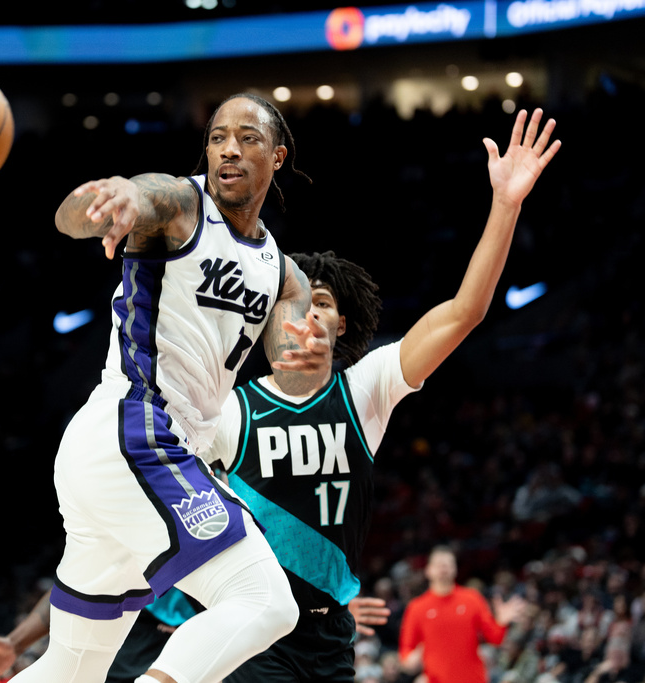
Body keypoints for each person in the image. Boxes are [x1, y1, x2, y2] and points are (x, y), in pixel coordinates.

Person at [200, 106, 560, 682]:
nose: (305, 314)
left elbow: (465, 312)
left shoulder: (365, 389)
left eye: (321, 303)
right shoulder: (229, 409)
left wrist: (505, 205)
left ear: (341, 323)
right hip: (252, 631)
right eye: (293, 302)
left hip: (330, 639)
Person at [10, 92, 325, 683]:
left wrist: (313, 358)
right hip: (137, 432)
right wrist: (114, 200)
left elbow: (294, 374)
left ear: (278, 156)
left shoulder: (285, 276)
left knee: (72, 667)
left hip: (124, 454)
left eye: (248, 138)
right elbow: (77, 216)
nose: (229, 149)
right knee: (265, 602)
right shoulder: (180, 203)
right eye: (217, 137)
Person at [0, 589, 387, 682]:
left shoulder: (233, 519)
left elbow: (273, 591)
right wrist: (16, 642)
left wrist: (323, 611)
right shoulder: (134, 519)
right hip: (131, 659)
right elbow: (72, 589)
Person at [398, 546, 528, 683]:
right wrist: (411, 661)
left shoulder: (472, 599)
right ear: (428, 570)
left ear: (455, 569)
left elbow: (495, 638)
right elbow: (406, 653)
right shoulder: (417, 608)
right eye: (438, 564)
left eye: (448, 564)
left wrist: (501, 622)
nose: (443, 568)